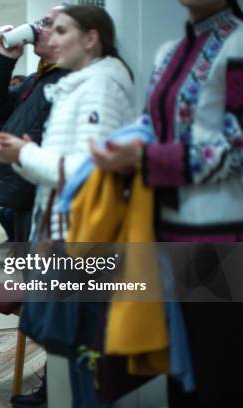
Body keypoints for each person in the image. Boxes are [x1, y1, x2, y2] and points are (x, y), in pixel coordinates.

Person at [91, 0, 243, 406]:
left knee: (218, 372)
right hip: (162, 229)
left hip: (221, 235)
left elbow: (238, 147)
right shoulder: (170, 51)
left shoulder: (239, 45)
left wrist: (144, 159)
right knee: (180, 371)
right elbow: (153, 128)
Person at [0, 5, 135, 407]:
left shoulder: (102, 85)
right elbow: (58, 170)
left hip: (85, 240)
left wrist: (24, 154)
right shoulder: (75, 83)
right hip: (63, 234)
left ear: (90, 39)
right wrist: (19, 155)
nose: (48, 37)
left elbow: (87, 174)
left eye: (61, 30)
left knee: (89, 360)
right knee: (73, 351)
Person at [0, 7, 69, 244]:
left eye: (49, 24)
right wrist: (5, 59)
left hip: (48, 201)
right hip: (24, 198)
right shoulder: (37, 79)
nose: (39, 28)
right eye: (42, 21)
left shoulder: (70, 80)